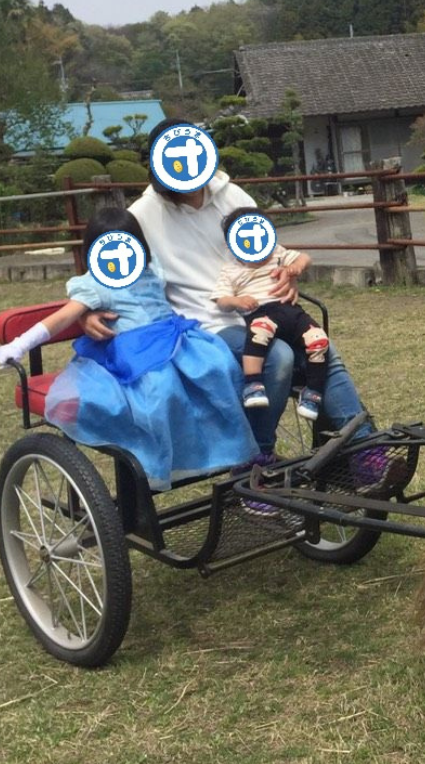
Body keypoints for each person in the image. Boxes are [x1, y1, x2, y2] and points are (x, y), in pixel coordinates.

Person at [80, 119, 394, 490]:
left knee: (322, 346)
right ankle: (253, 464)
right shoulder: (142, 215)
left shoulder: (233, 196)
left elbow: (265, 251)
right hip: (203, 323)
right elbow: (108, 268)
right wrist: (89, 311)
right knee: (277, 358)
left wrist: (285, 274)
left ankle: (364, 449)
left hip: (263, 308)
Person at [0, 207, 254, 489]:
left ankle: (230, 451)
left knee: (218, 367)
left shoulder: (151, 270)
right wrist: (20, 345)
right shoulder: (96, 284)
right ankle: (164, 462)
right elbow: (62, 318)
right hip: (134, 353)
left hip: (174, 340)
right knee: (160, 389)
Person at [214, 206, 331, 420]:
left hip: (291, 311)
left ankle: (313, 392)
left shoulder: (277, 253)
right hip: (262, 312)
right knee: (260, 331)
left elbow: (304, 257)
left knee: (319, 339)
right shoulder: (231, 269)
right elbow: (221, 300)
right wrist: (237, 301)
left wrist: (295, 268)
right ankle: (253, 383)